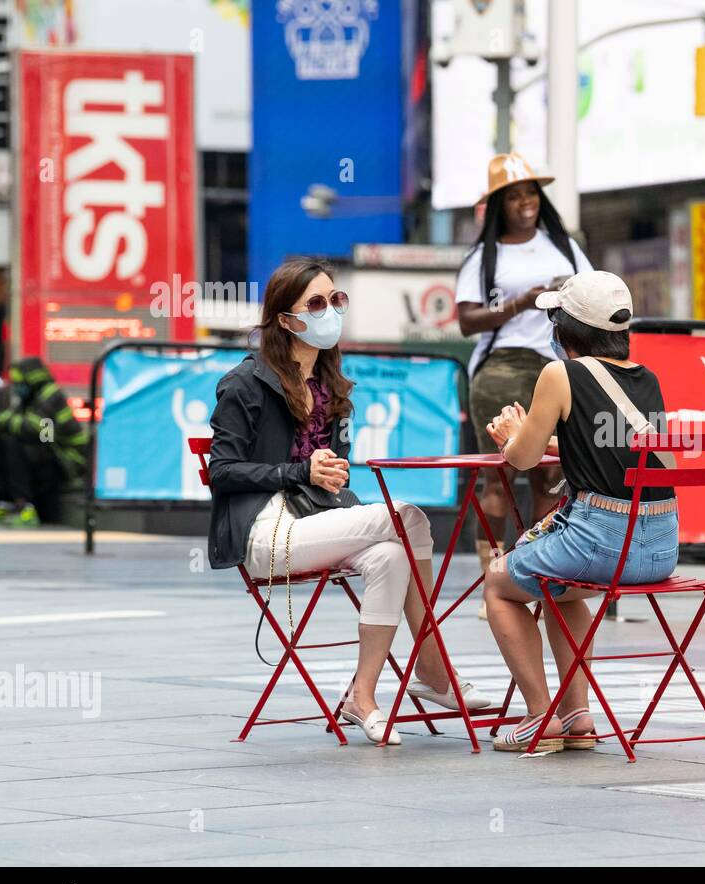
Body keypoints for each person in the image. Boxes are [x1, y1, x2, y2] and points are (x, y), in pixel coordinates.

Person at [207, 258, 490, 745]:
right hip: (265, 531)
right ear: (285, 319)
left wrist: (328, 475)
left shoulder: (332, 385)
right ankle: (433, 668)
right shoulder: (245, 383)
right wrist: (298, 471)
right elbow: (221, 472)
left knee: (391, 555)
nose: (330, 311)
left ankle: (362, 696)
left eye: (336, 300)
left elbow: (331, 471)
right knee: (409, 517)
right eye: (315, 303)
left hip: (315, 520)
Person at [480, 271, 679, 751]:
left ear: (566, 327)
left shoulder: (561, 374)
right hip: (660, 548)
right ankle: (577, 719)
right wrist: (541, 438)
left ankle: (538, 716)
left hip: (600, 544)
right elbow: (616, 448)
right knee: (559, 592)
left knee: (497, 583)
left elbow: (523, 461)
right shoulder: (647, 379)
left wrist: (513, 437)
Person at [456, 152, 593, 616]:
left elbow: (594, 295)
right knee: (499, 477)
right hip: (501, 366)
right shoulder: (483, 256)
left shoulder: (566, 248)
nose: (524, 202)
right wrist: (521, 302)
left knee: (551, 477)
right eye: (513, 196)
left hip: (556, 366)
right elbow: (467, 321)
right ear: (499, 204)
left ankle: (540, 577)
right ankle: (492, 581)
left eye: (530, 193)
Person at [0, 357, 89, 526]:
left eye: (19, 382)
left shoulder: (51, 395)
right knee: (5, 443)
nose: (16, 386)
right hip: (50, 456)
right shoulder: (30, 398)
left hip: (69, 462)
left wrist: (8, 422)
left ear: (31, 379)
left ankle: (23, 506)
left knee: (13, 445)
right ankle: (6, 502)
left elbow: (42, 433)